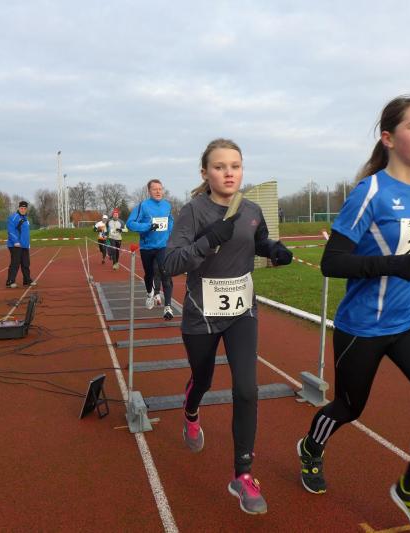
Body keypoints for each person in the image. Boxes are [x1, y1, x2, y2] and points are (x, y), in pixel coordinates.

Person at [295, 96, 410, 533]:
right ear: (388, 138)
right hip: (363, 326)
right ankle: (311, 447)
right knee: (349, 407)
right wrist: (396, 265)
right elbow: (332, 262)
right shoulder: (368, 192)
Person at [162, 139, 293, 515]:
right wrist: (207, 241)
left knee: (247, 389)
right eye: (220, 167)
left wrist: (273, 250)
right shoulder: (193, 211)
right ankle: (190, 412)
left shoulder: (251, 209)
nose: (229, 173)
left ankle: (243, 475)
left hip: (242, 312)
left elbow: (258, 240)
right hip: (201, 315)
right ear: (205, 173)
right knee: (203, 380)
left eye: (235, 165)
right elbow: (170, 263)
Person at [126, 179, 175, 320]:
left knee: (166, 273)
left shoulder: (167, 205)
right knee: (149, 274)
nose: (158, 191)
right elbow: (130, 223)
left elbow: (170, 220)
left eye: (160, 189)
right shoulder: (143, 206)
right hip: (147, 247)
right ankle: (149, 293)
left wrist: (169, 232)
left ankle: (168, 307)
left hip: (163, 246)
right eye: (155, 189)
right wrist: (148, 226)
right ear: (149, 191)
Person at [6, 200, 36, 288]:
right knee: (15, 263)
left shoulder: (26, 219)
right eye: (21, 208)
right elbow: (10, 230)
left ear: (26, 209)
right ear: (19, 208)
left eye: (24, 208)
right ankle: (10, 281)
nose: (23, 210)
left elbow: (25, 233)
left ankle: (27, 280)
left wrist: (27, 244)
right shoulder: (14, 217)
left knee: (26, 263)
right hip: (15, 245)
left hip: (24, 245)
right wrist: (15, 241)